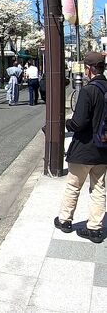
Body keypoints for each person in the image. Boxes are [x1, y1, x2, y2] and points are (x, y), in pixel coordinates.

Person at [54, 51, 107, 243]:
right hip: (103, 149)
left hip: (84, 148)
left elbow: (79, 122)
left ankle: (65, 220)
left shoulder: (88, 90)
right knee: (99, 188)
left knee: (73, 186)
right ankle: (95, 228)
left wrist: (67, 124)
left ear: (89, 69)